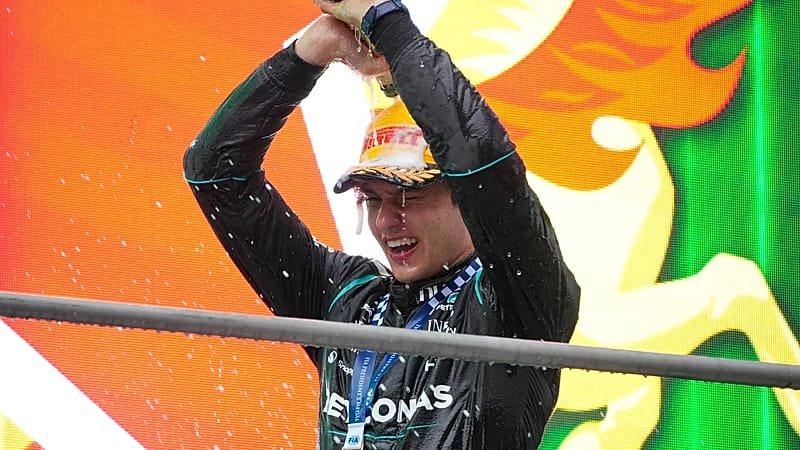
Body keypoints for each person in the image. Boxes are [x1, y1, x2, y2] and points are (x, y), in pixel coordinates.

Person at [183, 1, 580, 448]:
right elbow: (214, 173)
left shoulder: (519, 299)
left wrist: (388, 23)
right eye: (372, 199)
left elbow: (479, 159)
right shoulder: (343, 296)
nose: (387, 220)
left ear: (463, 197)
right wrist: (313, 51)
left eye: (408, 196)